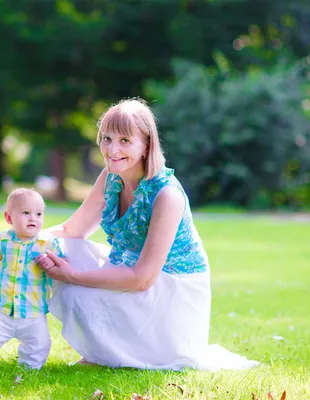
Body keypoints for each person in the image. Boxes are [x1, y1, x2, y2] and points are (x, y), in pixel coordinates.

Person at [34, 98, 259, 371]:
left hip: (171, 290)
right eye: (107, 138)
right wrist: (9, 245)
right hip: (132, 270)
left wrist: (73, 276)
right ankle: (104, 353)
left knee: (74, 288)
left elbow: (142, 278)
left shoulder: (167, 195)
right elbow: (72, 230)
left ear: (147, 145)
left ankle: (114, 353)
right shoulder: (111, 178)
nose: (112, 149)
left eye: (125, 141)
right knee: (59, 249)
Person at [0, 189, 64, 369]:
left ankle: (30, 368)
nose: (33, 218)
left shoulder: (48, 244)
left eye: (38, 213)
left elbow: (60, 265)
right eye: (26, 213)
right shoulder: (1, 240)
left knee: (39, 345)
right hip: (0, 308)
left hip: (33, 310)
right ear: (9, 218)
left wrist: (50, 264)